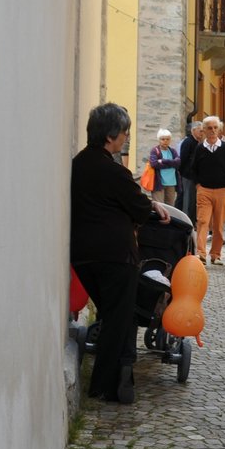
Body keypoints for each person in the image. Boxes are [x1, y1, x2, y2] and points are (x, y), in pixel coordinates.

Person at [70, 103, 171, 404]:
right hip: (115, 256)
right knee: (118, 319)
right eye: (125, 132)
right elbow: (139, 206)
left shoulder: (78, 164)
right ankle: (107, 386)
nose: (126, 137)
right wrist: (152, 205)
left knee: (112, 316)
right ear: (111, 135)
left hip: (83, 256)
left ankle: (117, 382)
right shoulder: (114, 171)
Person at [192, 116, 225, 266]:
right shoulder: (199, 148)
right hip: (204, 190)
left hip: (222, 190)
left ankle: (216, 254)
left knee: (218, 225)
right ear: (203, 130)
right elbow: (193, 169)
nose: (212, 131)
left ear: (219, 129)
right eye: (209, 128)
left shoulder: (224, 147)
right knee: (202, 221)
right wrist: (198, 185)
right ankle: (201, 253)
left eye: (215, 128)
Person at [176, 116, 202, 221]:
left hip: (192, 175)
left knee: (190, 199)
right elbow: (183, 159)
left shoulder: (195, 142)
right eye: (200, 131)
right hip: (187, 175)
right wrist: (184, 173)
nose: (202, 133)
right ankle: (186, 220)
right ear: (193, 130)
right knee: (187, 199)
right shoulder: (188, 142)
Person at [147, 128, 179, 207]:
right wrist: (171, 163)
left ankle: (170, 220)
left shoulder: (173, 151)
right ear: (159, 140)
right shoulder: (155, 150)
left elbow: (178, 162)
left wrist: (163, 161)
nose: (165, 141)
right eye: (163, 139)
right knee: (159, 206)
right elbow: (154, 164)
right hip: (159, 183)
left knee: (171, 207)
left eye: (167, 139)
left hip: (171, 182)